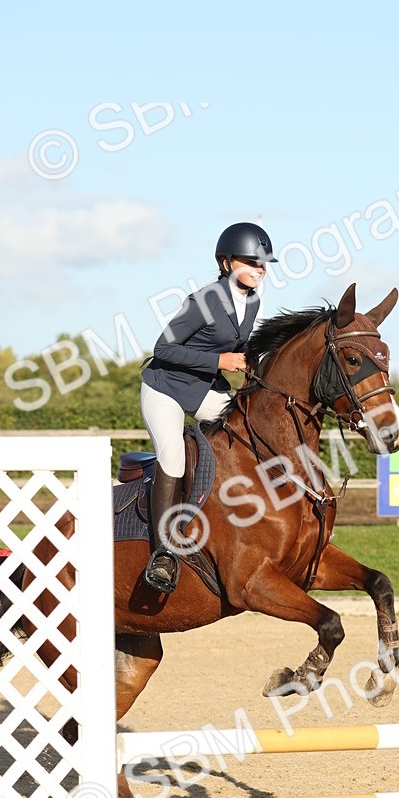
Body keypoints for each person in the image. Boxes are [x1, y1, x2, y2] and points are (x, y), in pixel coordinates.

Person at [140, 221, 277, 592]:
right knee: (173, 458)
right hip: (165, 387)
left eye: (264, 264)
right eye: (252, 262)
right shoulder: (204, 301)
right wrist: (221, 362)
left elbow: (238, 347)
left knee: (244, 437)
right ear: (227, 262)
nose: (260, 270)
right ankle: (164, 553)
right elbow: (162, 349)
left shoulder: (253, 301)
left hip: (203, 389)